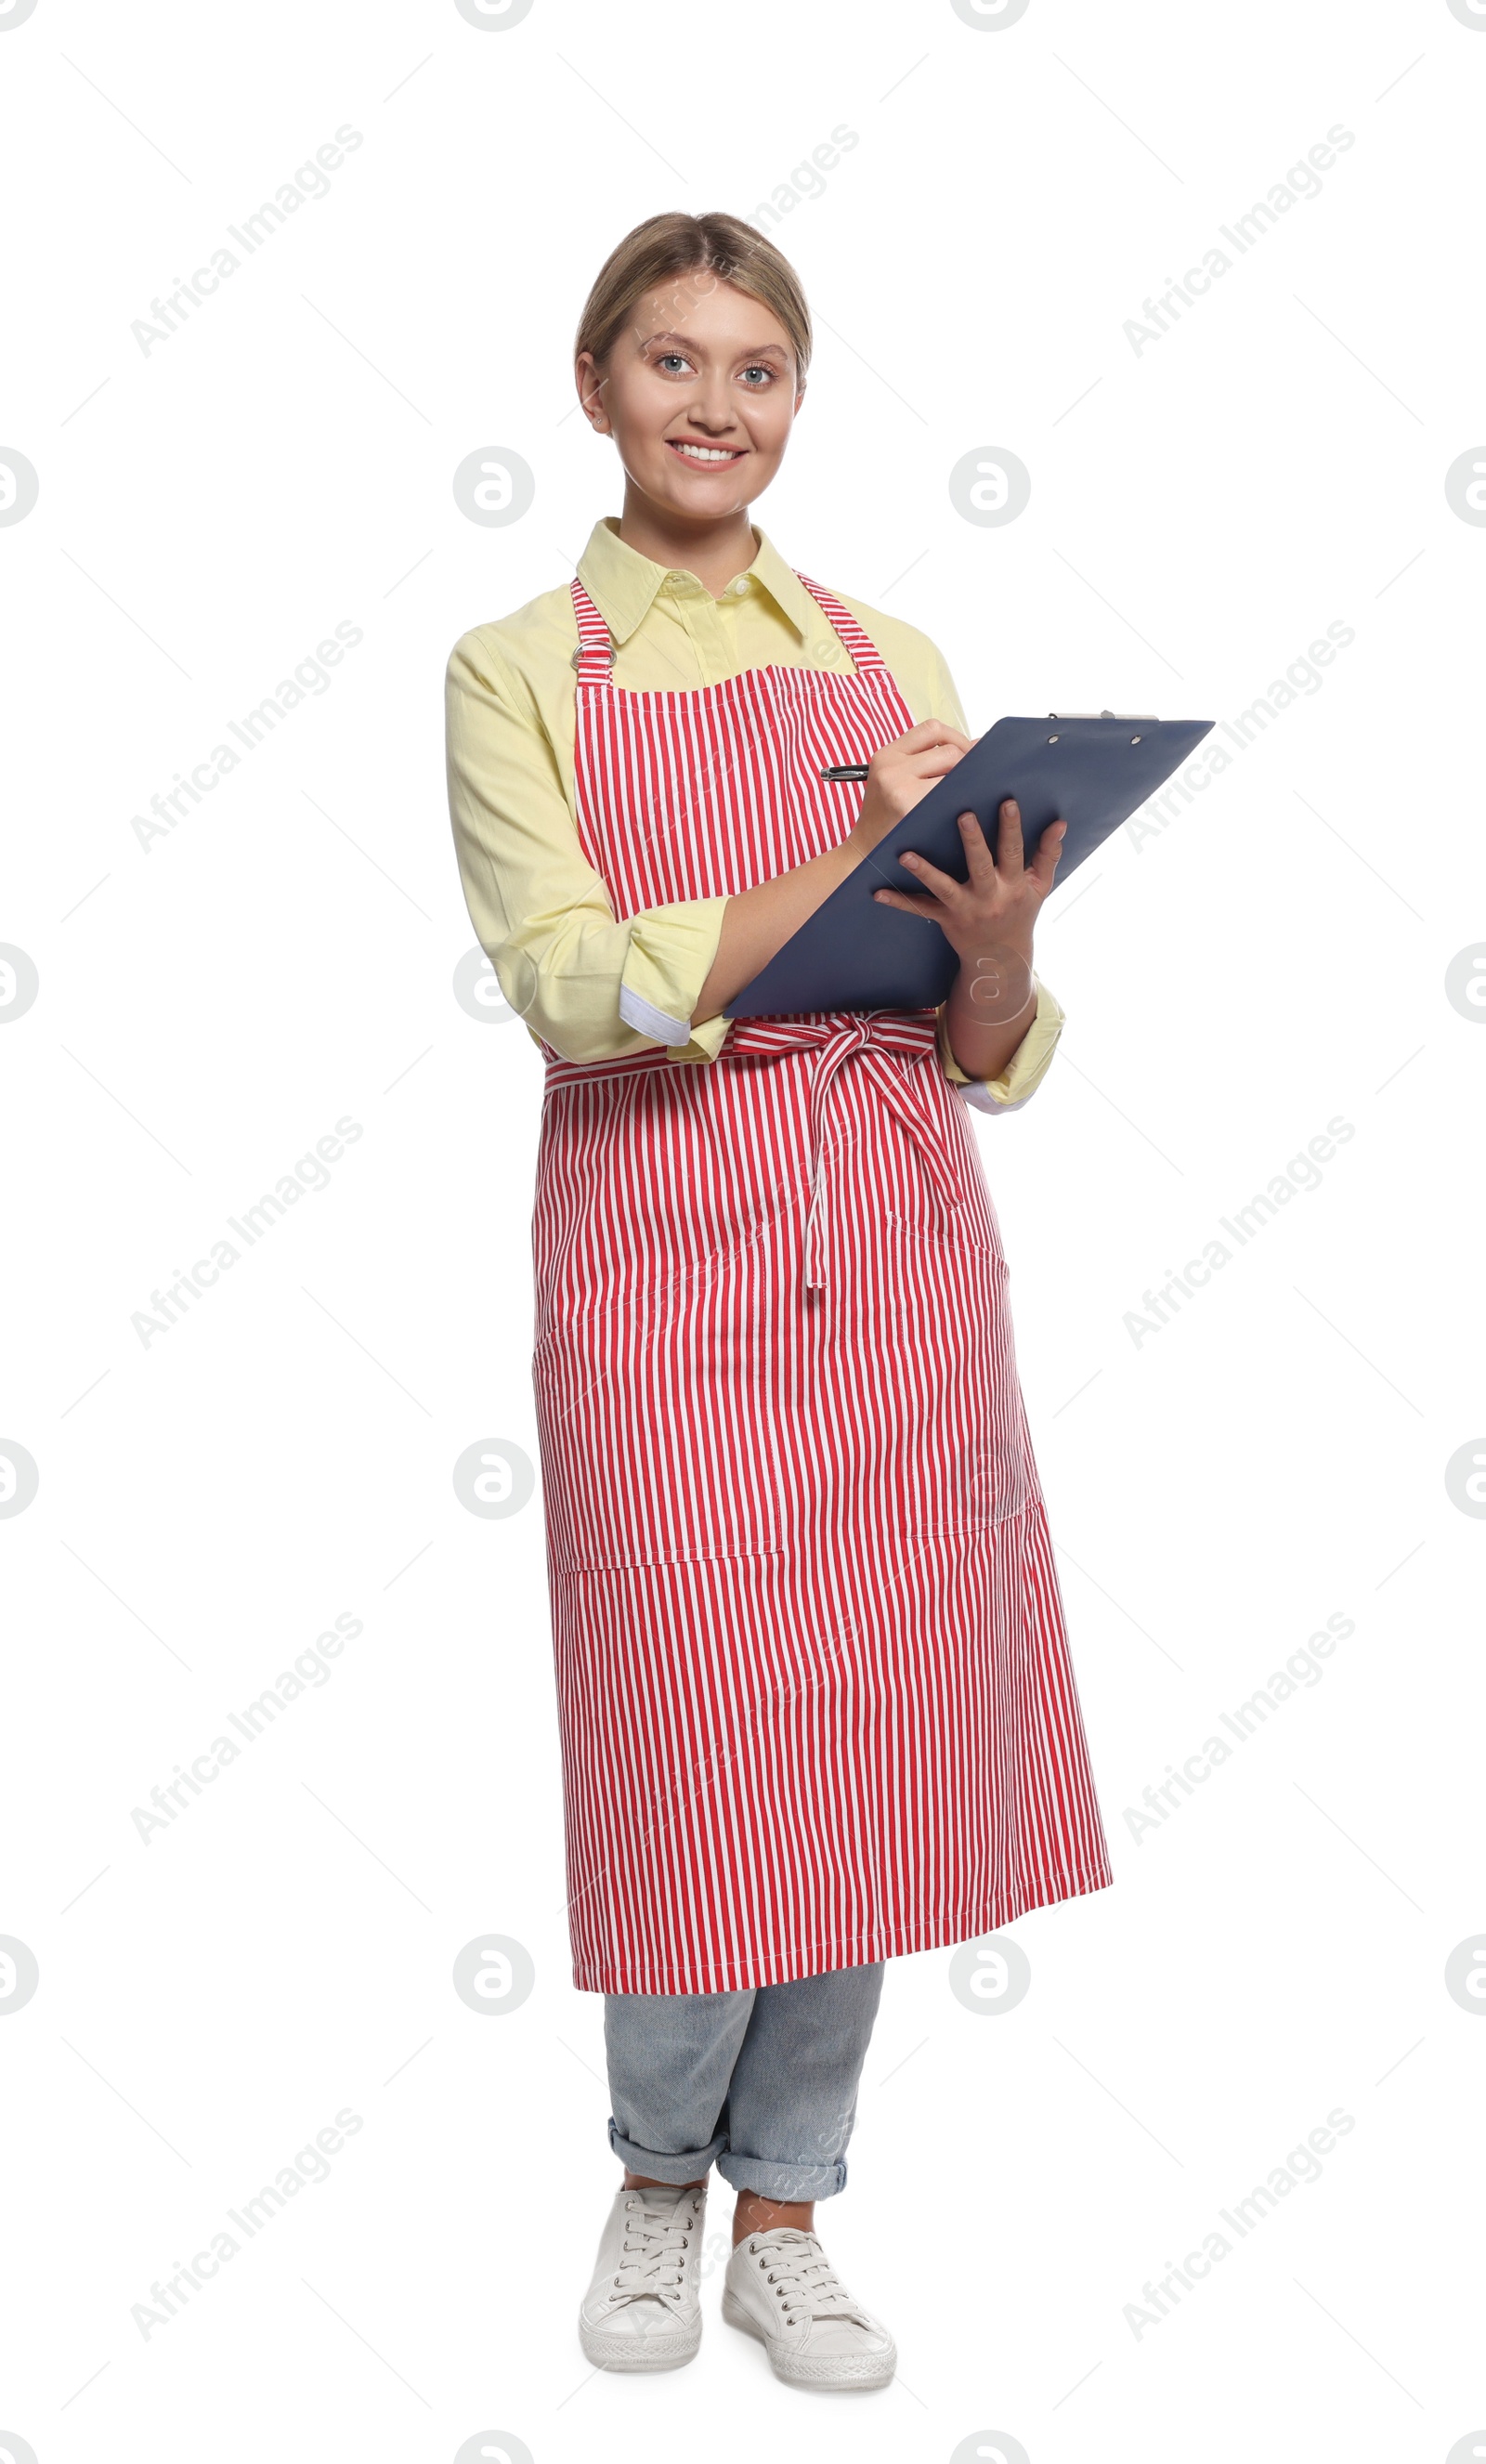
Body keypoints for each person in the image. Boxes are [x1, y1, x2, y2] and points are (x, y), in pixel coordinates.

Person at [445, 210, 1114, 2393]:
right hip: (655, 1239)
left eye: (754, 370)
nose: (713, 406)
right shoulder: (518, 669)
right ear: (594, 387)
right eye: (670, 361)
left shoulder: (892, 660)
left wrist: (993, 932)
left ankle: (789, 2207)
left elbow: (979, 1034)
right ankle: (657, 2172)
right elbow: (562, 981)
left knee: (875, 1723)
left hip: (894, 1235)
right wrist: (837, 873)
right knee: (691, 1715)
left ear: (794, 402)